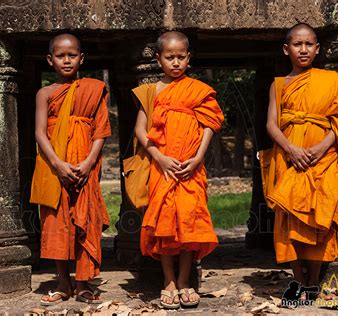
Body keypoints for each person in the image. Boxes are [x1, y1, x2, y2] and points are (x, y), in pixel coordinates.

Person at [263, 23, 338, 288]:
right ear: (287, 49)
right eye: (297, 44)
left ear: (317, 49)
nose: (303, 49)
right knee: (288, 221)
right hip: (289, 158)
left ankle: (314, 281)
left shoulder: (330, 81)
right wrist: (291, 149)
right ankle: (297, 279)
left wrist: (321, 148)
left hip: (322, 160)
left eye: (309, 44)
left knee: (320, 219)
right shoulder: (278, 85)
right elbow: (271, 124)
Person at [134, 31, 224, 309]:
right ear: (158, 59)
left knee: (189, 225)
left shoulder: (198, 89)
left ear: (189, 58)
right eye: (169, 57)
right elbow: (140, 129)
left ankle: (185, 281)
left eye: (181, 57)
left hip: (190, 169)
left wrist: (198, 158)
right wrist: (158, 157)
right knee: (165, 227)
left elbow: (210, 124)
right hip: (163, 168)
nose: (175, 63)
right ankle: (169, 281)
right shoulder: (150, 92)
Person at [30, 33, 111, 305]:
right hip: (55, 168)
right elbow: (40, 134)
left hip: (85, 166)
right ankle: (63, 282)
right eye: (61, 55)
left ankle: (84, 282)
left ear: (81, 58)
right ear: (50, 59)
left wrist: (88, 163)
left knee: (86, 222)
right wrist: (58, 164)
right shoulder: (45, 93)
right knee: (56, 223)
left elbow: (101, 131)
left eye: (72, 55)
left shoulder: (94, 89)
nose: (67, 60)